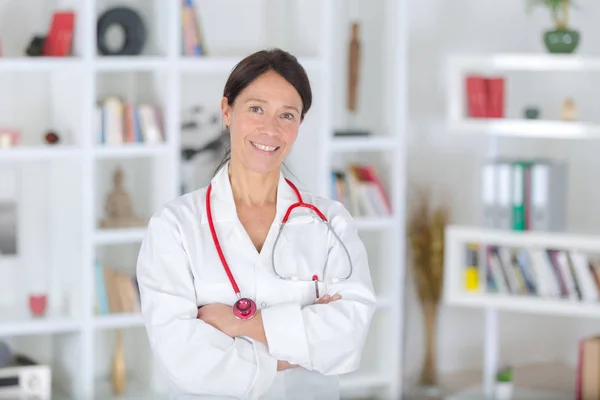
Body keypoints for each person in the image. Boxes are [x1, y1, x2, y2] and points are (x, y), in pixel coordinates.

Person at [136, 48, 377, 400]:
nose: (270, 129)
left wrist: (242, 325)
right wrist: (304, 345)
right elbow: (185, 358)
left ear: (299, 125)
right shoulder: (174, 227)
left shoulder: (330, 222)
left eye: (287, 115)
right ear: (227, 111)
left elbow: (349, 334)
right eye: (256, 109)